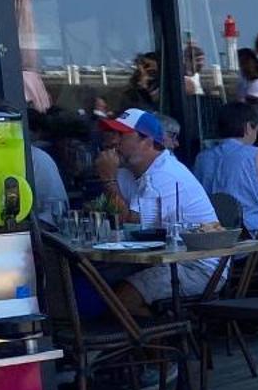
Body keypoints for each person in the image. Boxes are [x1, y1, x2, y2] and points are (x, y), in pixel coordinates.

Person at [91, 109, 220, 313]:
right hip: (159, 259)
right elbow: (109, 216)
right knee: (93, 281)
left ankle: (161, 341)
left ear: (147, 141)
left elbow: (133, 225)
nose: (112, 141)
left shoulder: (166, 174)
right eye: (111, 134)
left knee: (121, 299)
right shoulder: (126, 172)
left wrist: (108, 180)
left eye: (121, 135)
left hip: (196, 266)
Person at [195, 100, 258, 233]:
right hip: (253, 233)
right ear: (247, 127)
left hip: (214, 233)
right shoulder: (254, 154)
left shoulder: (202, 158)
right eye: (256, 129)